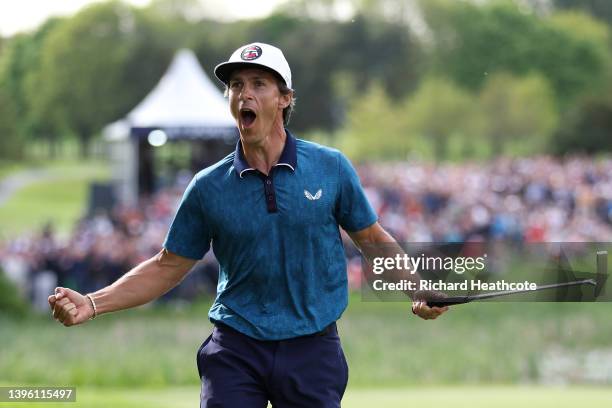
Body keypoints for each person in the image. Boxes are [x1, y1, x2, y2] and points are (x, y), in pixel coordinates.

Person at [48, 42, 448, 407]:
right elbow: (168, 264)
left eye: (259, 83)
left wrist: (417, 288)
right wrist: (94, 302)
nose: (245, 94)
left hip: (312, 348)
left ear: (285, 99)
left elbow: (372, 239)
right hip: (236, 349)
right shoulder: (208, 187)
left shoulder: (330, 168)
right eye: (237, 85)